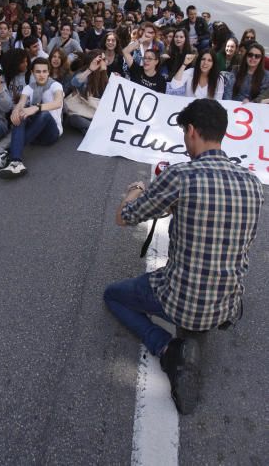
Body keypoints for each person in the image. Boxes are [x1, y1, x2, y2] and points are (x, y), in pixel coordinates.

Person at [105, 99, 263, 414]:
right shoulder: (254, 183)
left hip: (182, 299)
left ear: (191, 131)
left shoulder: (182, 176)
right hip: (227, 304)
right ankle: (203, 325)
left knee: (113, 296)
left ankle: (168, 348)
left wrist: (136, 188)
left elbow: (124, 218)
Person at [0, 58, 64, 179]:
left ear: (48, 72)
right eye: (38, 72)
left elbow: (58, 102)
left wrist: (37, 107)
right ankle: (16, 163)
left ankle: (9, 152)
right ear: (32, 72)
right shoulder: (29, 87)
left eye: (44, 71)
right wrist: (15, 112)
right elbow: (21, 103)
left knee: (44, 114)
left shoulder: (55, 85)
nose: (41, 75)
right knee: (20, 114)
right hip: (35, 134)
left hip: (51, 133)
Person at [66, 50, 108, 134]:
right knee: (74, 119)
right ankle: (95, 129)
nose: (106, 61)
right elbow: (74, 83)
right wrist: (90, 70)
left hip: (95, 113)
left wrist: (115, 81)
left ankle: (90, 130)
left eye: (105, 59)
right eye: (102, 59)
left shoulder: (104, 74)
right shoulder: (85, 73)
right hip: (82, 112)